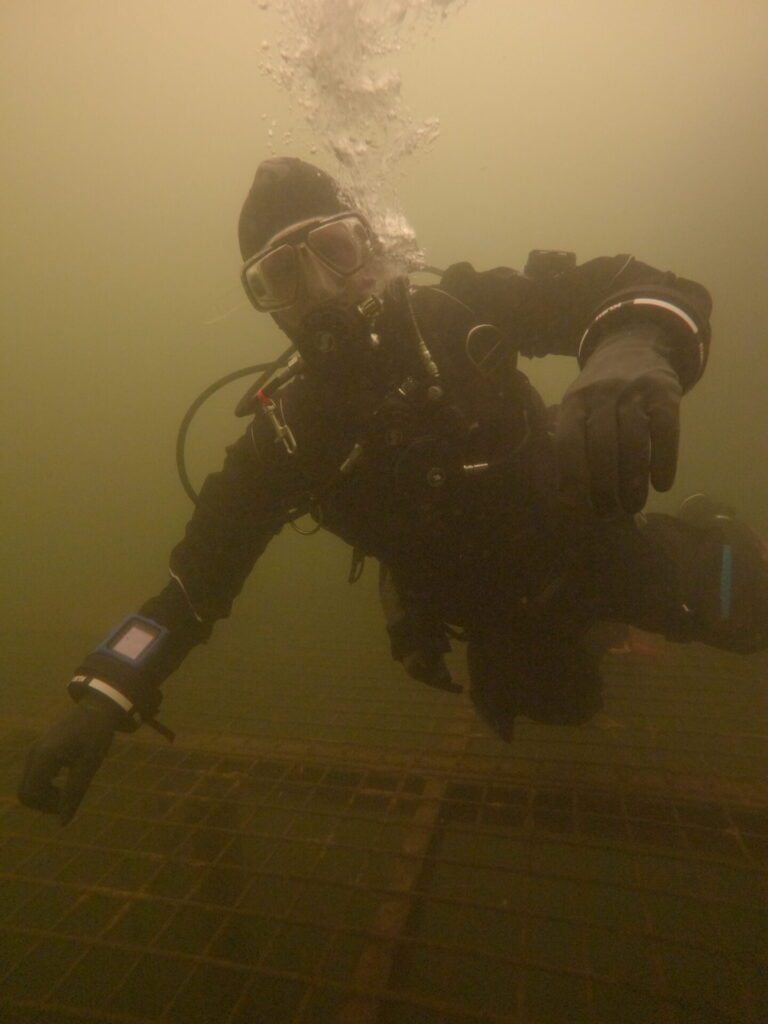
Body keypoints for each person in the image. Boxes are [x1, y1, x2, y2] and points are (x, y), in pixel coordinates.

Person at [18, 157, 768, 824]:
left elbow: (630, 288)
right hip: (485, 614)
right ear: (265, 303)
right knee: (563, 704)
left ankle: (700, 527)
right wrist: (107, 689)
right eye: (281, 277)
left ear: (372, 247)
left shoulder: (458, 314)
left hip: (589, 544)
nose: (319, 289)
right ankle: (571, 636)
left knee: (746, 610)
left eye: (334, 250)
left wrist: (633, 342)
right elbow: (189, 591)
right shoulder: (287, 438)